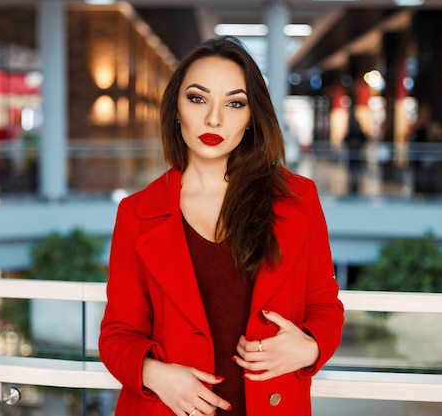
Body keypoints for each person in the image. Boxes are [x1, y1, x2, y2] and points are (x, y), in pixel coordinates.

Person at [99, 36, 344, 416]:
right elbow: (117, 335)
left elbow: (325, 306)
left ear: (251, 117)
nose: (214, 119)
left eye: (234, 103)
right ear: (176, 109)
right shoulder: (137, 213)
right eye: (197, 99)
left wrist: (310, 346)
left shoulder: (298, 199)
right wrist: (156, 375)